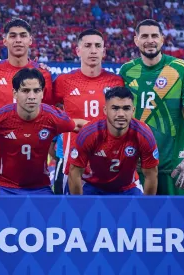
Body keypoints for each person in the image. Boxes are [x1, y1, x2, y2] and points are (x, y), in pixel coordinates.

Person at [0, 68, 87, 195]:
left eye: (36, 91)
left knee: (52, 213)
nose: (31, 96)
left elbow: (80, 125)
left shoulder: (52, 116)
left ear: (43, 93)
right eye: (25, 91)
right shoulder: (0, 116)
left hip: (40, 187)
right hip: (3, 186)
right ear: (14, 93)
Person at [119, 19, 184, 195]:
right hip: (138, 165)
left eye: (155, 35)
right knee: (140, 221)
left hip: (176, 166)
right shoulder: (126, 71)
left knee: (181, 220)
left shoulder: (180, 68)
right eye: (145, 36)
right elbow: (119, 115)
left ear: (162, 39)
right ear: (136, 40)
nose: (150, 40)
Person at [44, 29, 124, 194]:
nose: (93, 50)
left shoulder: (117, 82)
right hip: (72, 164)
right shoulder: (63, 81)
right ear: (78, 50)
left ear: (104, 51)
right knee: (68, 217)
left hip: (108, 164)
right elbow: (45, 111)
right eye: (87, 45)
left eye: (97, 46)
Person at [0, 18, 53, 189]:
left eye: (23, 35)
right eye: (12, 36)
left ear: (30, 40)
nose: (18, 40)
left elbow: (50, 114)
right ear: (4, 40)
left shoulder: (44, 74)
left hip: (35, 157)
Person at [68, 87, 159, 195]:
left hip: (128, 188)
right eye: (115, 108)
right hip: (93, 187)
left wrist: (145, 209)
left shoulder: (144, 134)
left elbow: (151, 175)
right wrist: (79, 206)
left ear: (133, 110)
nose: (121, 114)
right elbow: (74, 172)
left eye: (126, 108)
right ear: (105, 110)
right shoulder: (89, 133)